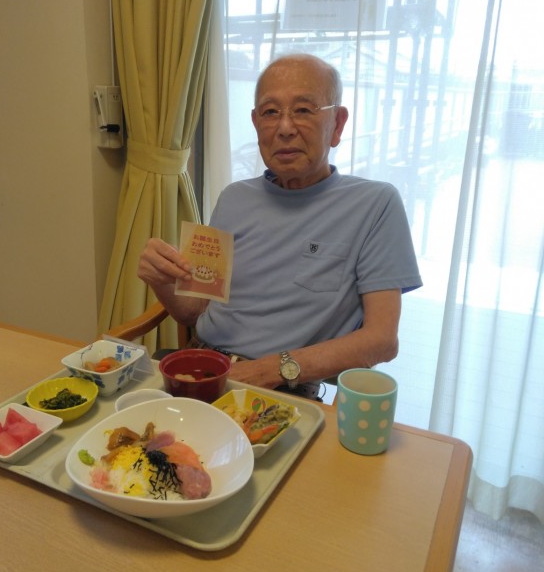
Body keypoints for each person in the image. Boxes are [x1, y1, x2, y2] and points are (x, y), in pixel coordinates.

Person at [137, 53, 422, 396]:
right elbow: (194, 312)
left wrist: (268, 370)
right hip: (202, 368)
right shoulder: (233, 198)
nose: (285, 128)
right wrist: (162, 280)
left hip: (284, 386)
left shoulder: (375, 204)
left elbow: (382, 340)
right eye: (271, 112)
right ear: (256, 123)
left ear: (337, 124)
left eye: (303, 110)